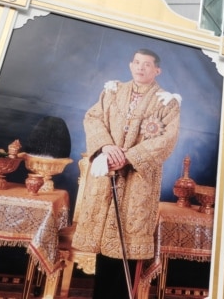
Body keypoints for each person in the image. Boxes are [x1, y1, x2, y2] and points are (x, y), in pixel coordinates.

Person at [72, 48, 181, 298]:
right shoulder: (113, 91)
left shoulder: (167, 101)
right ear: (131, 65)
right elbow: (92, 117)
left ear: (157, 70)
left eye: (147, 64)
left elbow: (167, 139)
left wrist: (128, 158)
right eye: (137, 62)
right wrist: (107, 147)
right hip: (107, 174)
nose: (141, 67)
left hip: (138, 181)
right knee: (103, 250)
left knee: (126, 249)